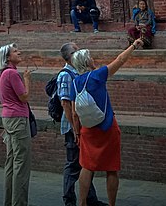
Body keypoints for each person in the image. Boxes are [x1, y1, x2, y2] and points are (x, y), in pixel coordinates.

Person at [71, 40, 144, 206]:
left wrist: (77, 132)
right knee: (111, 168)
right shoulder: (97, 75)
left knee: (87, 166)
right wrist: (133, 45)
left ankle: (82, 202)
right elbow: (119, 60)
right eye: (90, 57)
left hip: (87, 130)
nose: (93, 59)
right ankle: (112, 204)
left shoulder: (75, 83)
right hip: (107, 126)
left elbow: (75, 113)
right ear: (87, 62)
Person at [57, 42, 105, 206]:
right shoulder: (65, 75)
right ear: (69, 57)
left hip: (81, 125)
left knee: (85, 163)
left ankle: (89, 198)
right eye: (76, 51)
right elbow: (66, 104)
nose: (80, 53)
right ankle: (69, 200)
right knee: (73, 165)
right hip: (72, 127)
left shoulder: (79, 72)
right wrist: (75, 129)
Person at [0, 43, 32, 206]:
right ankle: (19, 202)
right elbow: (24, 97)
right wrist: (26, 79)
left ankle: (9, 201)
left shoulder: (3, 73)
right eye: (15, 51)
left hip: (8, 118)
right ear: (7, 57)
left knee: (11, 162)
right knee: (21, 163)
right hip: (18, 118)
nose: (19, 52)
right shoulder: (12, 74)